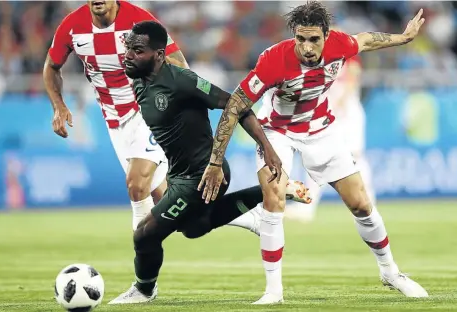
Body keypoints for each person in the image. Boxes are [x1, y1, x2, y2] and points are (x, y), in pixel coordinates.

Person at [200, 1, 429, 304]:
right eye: (300, 39)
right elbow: (235, 105)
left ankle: (391, 272)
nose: (307, 47)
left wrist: (403, 38)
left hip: (321, 128)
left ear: (326, 35)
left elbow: (364, 40)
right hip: (276, 132)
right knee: (274, 198)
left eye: (314, 39)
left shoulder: (340, 44)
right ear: (293, 35)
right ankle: (273, 292)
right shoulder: (273, 60)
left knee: (361, 204)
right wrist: (216, 161)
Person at [108, 21, 309, 304]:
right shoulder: (139, 79)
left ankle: (144, 289)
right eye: (128, 48)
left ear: (159, 55)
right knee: (193, 227)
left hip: (203, 175)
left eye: (137, 50)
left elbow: (236, 105)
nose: (128, 55)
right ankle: (266, 194)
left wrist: (267, 147)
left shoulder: (182, 81)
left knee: (144, 234)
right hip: (179, 174)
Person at [43, 0, 270, 235]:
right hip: (114, 120)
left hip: (147, 111)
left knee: (136, 185)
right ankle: (250, 218)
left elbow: (178, 63)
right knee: (175, 211)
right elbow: (51, 67)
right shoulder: (71, 26)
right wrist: (58, 106)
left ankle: (142, 251)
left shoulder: (139, 21)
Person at [286, 51, 376, 222]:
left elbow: (353, 76)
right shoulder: (317, 58)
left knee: (355, 157)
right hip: (329, 113)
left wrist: (341, 101)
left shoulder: (346, 52)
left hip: (347, 114)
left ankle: (369, 202)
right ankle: (307, 206)